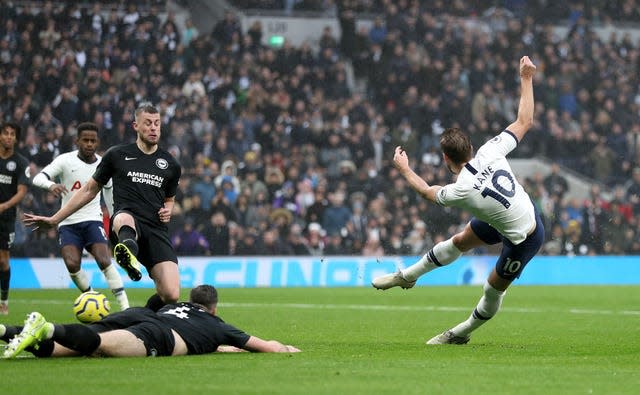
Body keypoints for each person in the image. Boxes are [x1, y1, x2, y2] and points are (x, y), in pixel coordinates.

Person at [372, 56, 545, 345]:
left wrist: (404, 169)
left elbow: (427, 191)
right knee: (460, 240)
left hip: (525, 237)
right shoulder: (491, 150)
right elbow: (524, 120)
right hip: (510, 217)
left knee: (493, 289)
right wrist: (526, 78)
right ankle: (406, 276)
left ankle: (459, 333)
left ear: (445, 159)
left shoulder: (461, 189)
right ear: (472, 147)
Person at [24, 104, 182, 311]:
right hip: (126, 223)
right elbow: (89, 190)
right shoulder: (117, 155)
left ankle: (142, 316)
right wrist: (55, 219)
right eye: (148, 123)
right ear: (136, 126)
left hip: (156, 229)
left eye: (157, 123)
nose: (153, 128)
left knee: (171, 294)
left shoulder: (170, 164)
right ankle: (127, 254)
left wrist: (169, 208)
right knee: (124, 219)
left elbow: (169, 198)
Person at [1, 284, 300, 358]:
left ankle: (4, 330)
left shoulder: (178, 305)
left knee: (66, 349)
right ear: (213, 307)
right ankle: (47, 327)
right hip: (159, 333)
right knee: (102, 346)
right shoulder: (218, 325)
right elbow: (265, 346)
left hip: (141, 314)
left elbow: (160, 296)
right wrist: (286, 348)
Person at [31, 122, 129, 310]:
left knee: (103, 259)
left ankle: (125, 307)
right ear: (77, 141)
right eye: (85, 140)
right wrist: (50, 185)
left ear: (98, 142)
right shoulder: (65, 161)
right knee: (72, 263)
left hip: (93, 219)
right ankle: (91, 298)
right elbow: (38, 178)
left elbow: (109, 194)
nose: (89, 144)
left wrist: (115, 218)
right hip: (67, 222)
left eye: (93, 140)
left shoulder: (103, 164)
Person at [0, 122, 30, 315]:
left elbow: (22, 192)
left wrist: (4, 206)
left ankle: (4, 301)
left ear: (16, 139)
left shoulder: (20, 163)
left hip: (6, 218)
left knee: (3, 261)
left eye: (13, 134)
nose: (9, 137)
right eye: (6, 133)